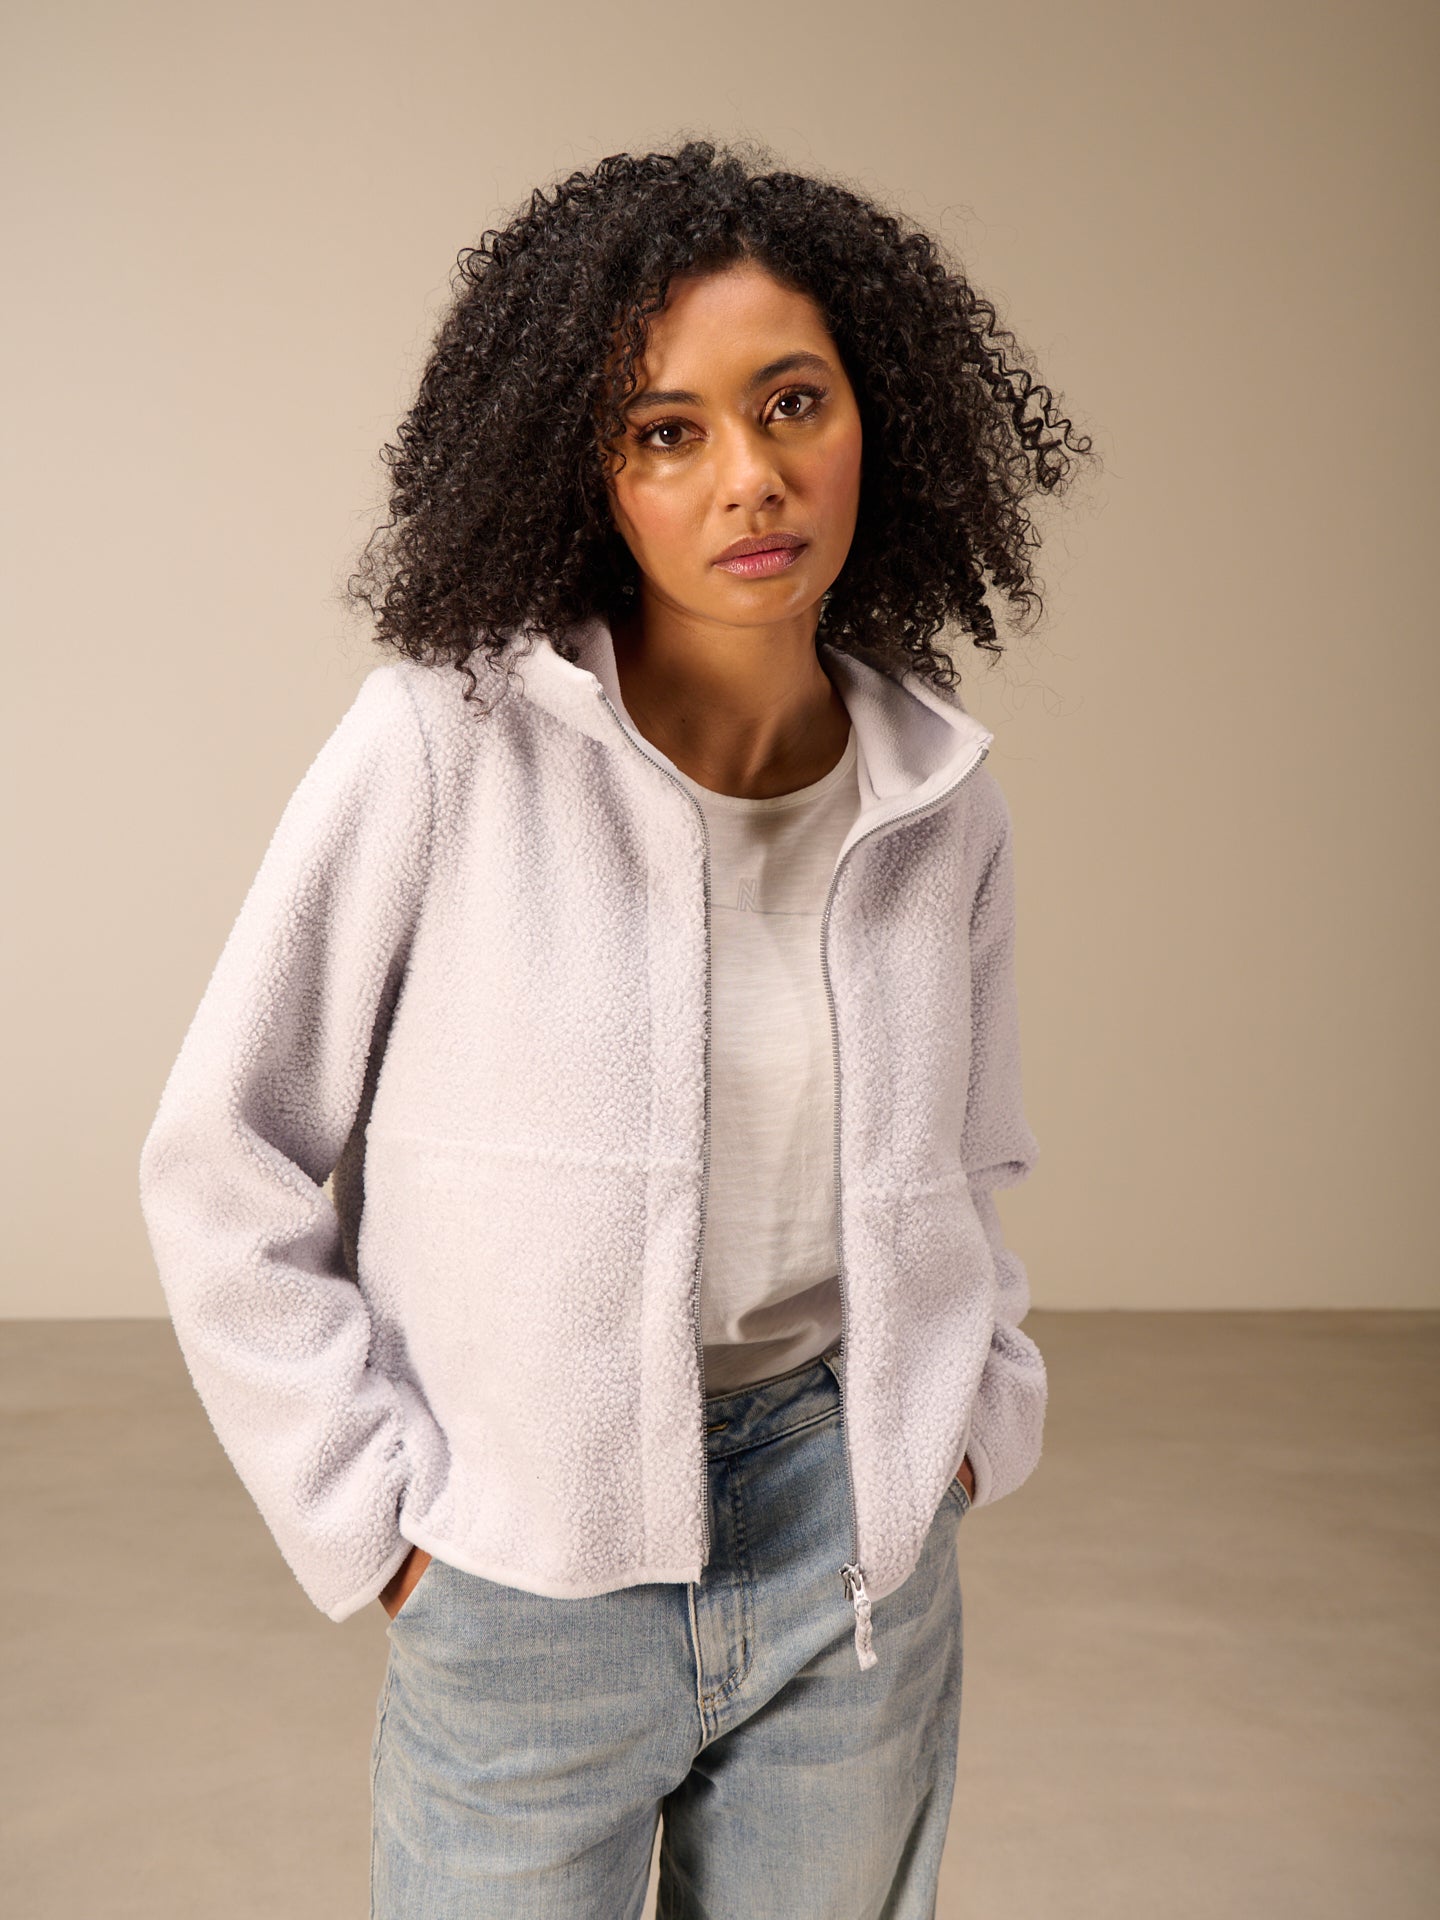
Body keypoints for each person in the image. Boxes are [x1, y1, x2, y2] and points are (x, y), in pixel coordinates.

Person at [138, 135, 1094, 1918]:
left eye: (792, 402)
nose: (751, 476)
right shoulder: (442, 747)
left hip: (851, 1550)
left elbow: (970, 1166)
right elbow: (224, 1155)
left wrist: (967, 1429)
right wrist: (381, 1525)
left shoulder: (938, 798)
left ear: (874, 419)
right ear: (589, 474)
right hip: (527, 1560)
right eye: (667, 431)